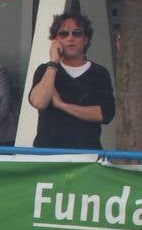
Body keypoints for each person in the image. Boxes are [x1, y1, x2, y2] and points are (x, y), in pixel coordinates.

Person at [28, 11, 115, 149]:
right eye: (63, 34)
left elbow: (105, 114)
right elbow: (39, 101)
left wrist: (62, 105)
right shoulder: (45, 70)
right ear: (55, 40)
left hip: (86, 156)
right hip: (47, 155)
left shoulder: (100, 73)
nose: (70, 38)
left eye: (77, 33)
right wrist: (53, 63)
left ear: (86, 39)